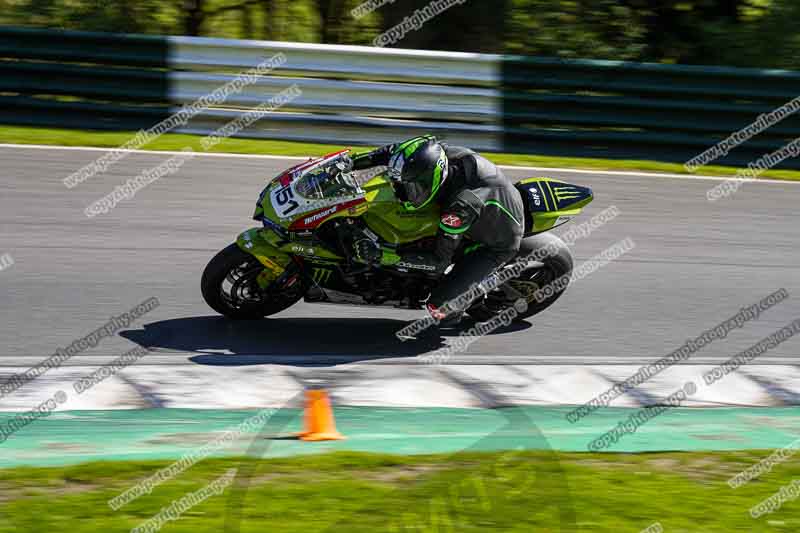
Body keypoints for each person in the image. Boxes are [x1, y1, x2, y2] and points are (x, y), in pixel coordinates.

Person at [348, 135, 525, 326]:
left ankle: (475, 290)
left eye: (412, 188)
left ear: (431, 180)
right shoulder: (433, 155)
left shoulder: (459, 209)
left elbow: (439, 261)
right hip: (488, 204)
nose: (401, 193)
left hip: (497, 243)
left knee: (441, 310)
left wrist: (383, 256)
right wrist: (352, 162)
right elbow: (391, 152)